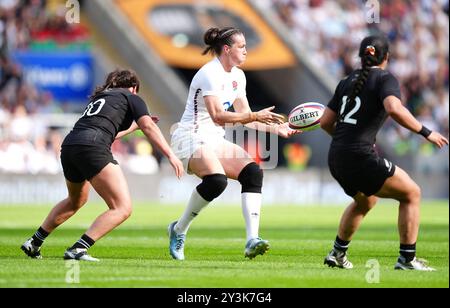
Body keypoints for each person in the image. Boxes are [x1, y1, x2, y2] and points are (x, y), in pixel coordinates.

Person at [21, 69, 184, 261]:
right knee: (122, 208)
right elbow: (149, 126)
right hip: (93, 148)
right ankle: (78, 249)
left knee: (75, 201)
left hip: (70, 146)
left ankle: (34, 242)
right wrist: (171, 155)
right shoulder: (132, 97)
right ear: (134, 88)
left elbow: (108, 132)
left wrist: (133, 127)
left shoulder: (101, 98)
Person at [168, 27, 299, 260]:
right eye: (242, 46)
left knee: (252, 173)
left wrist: (275, 129)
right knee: (216, 181)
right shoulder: (209, 74)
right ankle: (179, 229)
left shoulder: (238, 75)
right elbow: (219, 115)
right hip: (189, 136)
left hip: (214, 138)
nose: (246, 51)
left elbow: (246, 117)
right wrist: (255, 116)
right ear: (227, 49)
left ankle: (252, 240)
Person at [320, 35, 448, 271]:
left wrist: (344, 141)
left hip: (336, 156)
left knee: (366, 201)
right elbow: (394, 108)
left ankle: (338, 253)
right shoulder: (385, 78)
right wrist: (426, 132)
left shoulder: (346, 81)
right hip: (359, 156)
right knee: (412, 193)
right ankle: (407, 260)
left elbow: (325, 122)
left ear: (361, 57)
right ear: (386, 57)